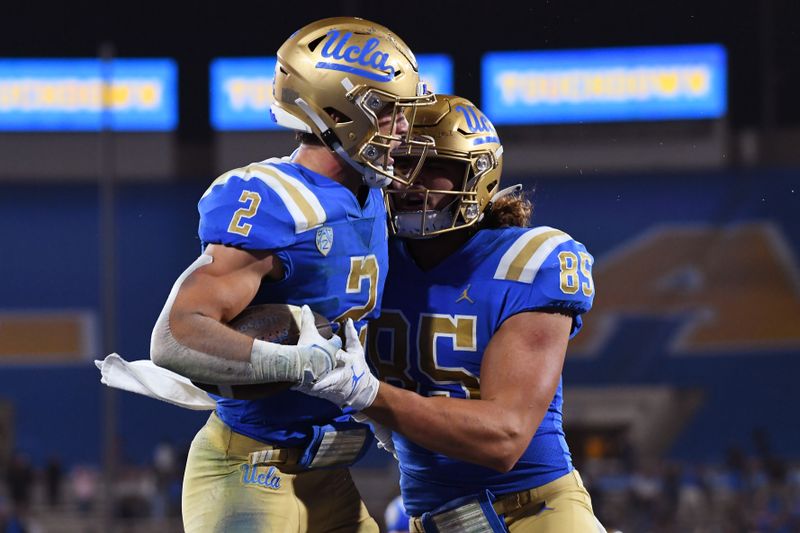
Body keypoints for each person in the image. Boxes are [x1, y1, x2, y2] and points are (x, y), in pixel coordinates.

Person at [149, 17, 434, 532]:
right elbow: (174, 336)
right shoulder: (275, 199)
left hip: (328, 474)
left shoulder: (375, 194)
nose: (402, 128)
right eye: (389, 112)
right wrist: (294, 362)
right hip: (250, 467)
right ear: (337, 112)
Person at [296, 95, 605, 532]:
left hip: (532, 513)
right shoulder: (369, 257)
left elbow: (505, 437)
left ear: (476, 174)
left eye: (429, 167)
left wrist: (368, 396)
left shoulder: (530, 261)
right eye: (398, 164)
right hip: (429, 520)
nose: (405, 182)